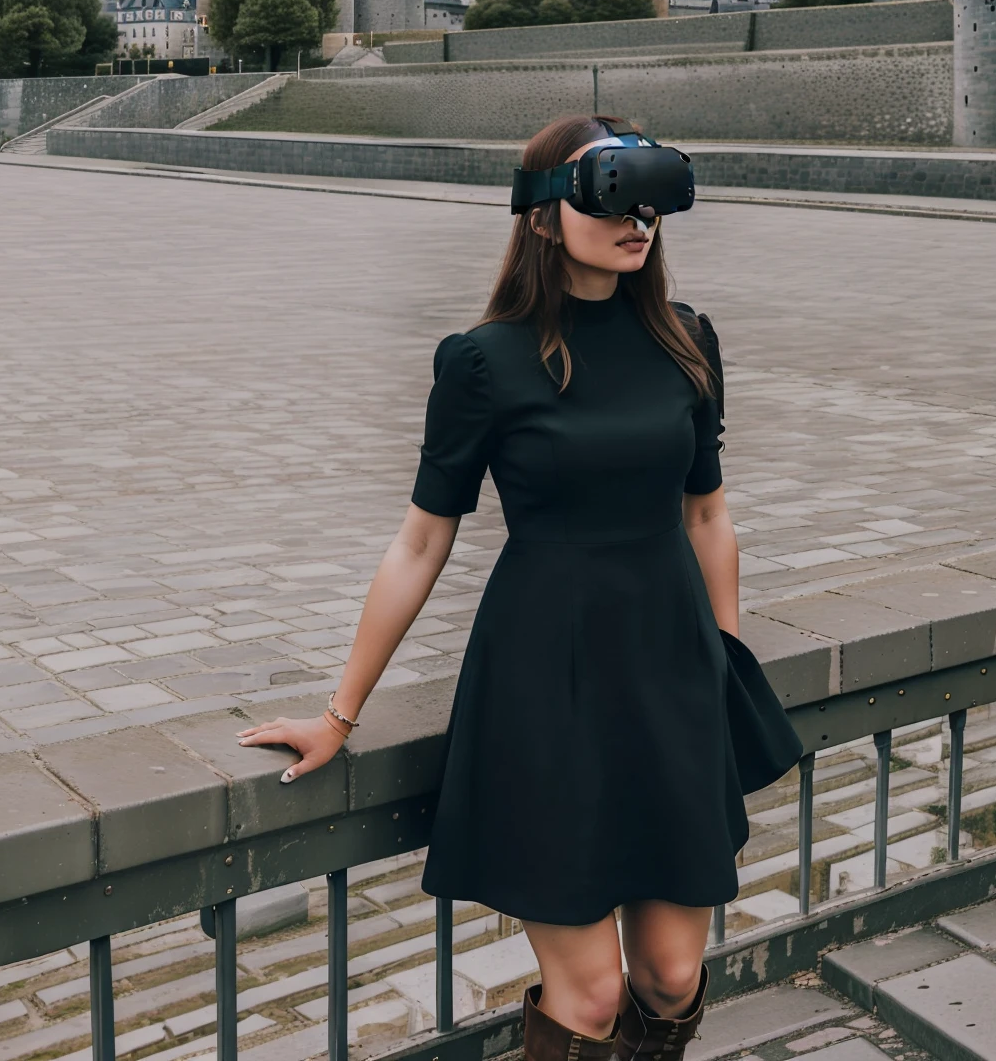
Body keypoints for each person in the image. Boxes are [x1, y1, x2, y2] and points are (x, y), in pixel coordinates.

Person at [239, 114, 801, 1061]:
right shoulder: (483, 362)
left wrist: (723, 664)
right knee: (589, 995)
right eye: (612, 192)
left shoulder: (688, 341)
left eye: (654, 196)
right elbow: (421, 543)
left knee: (671, 977)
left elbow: (708, 516)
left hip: (673, 676)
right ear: (542, 217)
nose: (641, 218)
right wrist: (339, 713)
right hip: (548, 681)